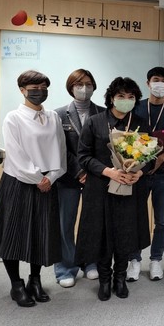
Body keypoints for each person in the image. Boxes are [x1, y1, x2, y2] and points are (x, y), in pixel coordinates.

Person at [0, 70, 66, 307]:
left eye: (43, 87)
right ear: (22, 90)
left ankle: (35, 280)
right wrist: (37, 178)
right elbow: (15, 153)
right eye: (34, 87)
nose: (39, 91)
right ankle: (16, 285)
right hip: (18, 182)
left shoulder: (53, 116)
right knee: (12, 235)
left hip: (48, 182)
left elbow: (61, 149)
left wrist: (51, 177)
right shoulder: (13, 118)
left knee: (41, 234)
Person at [75, 77, 152, 301]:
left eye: (130, 97)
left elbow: (150, 157)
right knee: (102, 235)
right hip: (100, 189)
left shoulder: (140, 123)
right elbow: (83, 157)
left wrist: (140, 172)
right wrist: (109, 171)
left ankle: (120, 278)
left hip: (129, 189)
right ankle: (104, 279)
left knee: (125, 234)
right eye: (121, 96)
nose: (125, 100)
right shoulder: (95, 122)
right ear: (111, 98)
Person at [127, 67, 164, 282]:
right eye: (156, 80)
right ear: (148, 83)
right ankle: (134, 260)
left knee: (162, 220)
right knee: (135, 216)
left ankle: (156, 260)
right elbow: (129, 137)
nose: (159, 84)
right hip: (139, 173)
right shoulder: (137, 107)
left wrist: (160, 158)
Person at [54, 69, 104, 288]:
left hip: (96, 177)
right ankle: (66, 268)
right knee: (65, 224)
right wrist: (79, 171)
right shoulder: (58, 115)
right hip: (68, 177)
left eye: (89, 84)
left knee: (92, 223)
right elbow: (59, 149)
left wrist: (92, 171)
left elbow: (105, 149)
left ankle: (90, 262)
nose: (84, 88)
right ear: (71, 87)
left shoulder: (103, 113)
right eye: (79, 84)